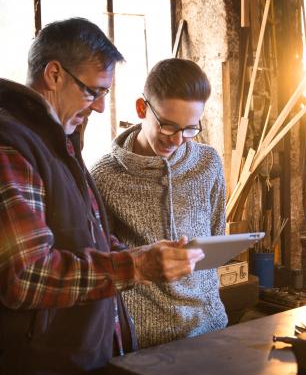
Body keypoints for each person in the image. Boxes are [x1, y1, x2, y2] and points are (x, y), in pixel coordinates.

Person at [0, 19, 204, 375]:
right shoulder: (1, 148)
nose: (101, 107)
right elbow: (24, 277)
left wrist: (143, 255)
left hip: (76, 374)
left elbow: (83, 240)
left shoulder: (55, 142)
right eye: (93, 91)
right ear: (54, 74)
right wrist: (134, 266)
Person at [91, 58, 228, 349]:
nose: (178, 140)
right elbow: (102, 269)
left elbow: (216, 241)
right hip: (144, 343)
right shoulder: (104, 177)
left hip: (210, 330)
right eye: (168, 126)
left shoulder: (208, 164)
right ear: (142, 109)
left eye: (190, 129)